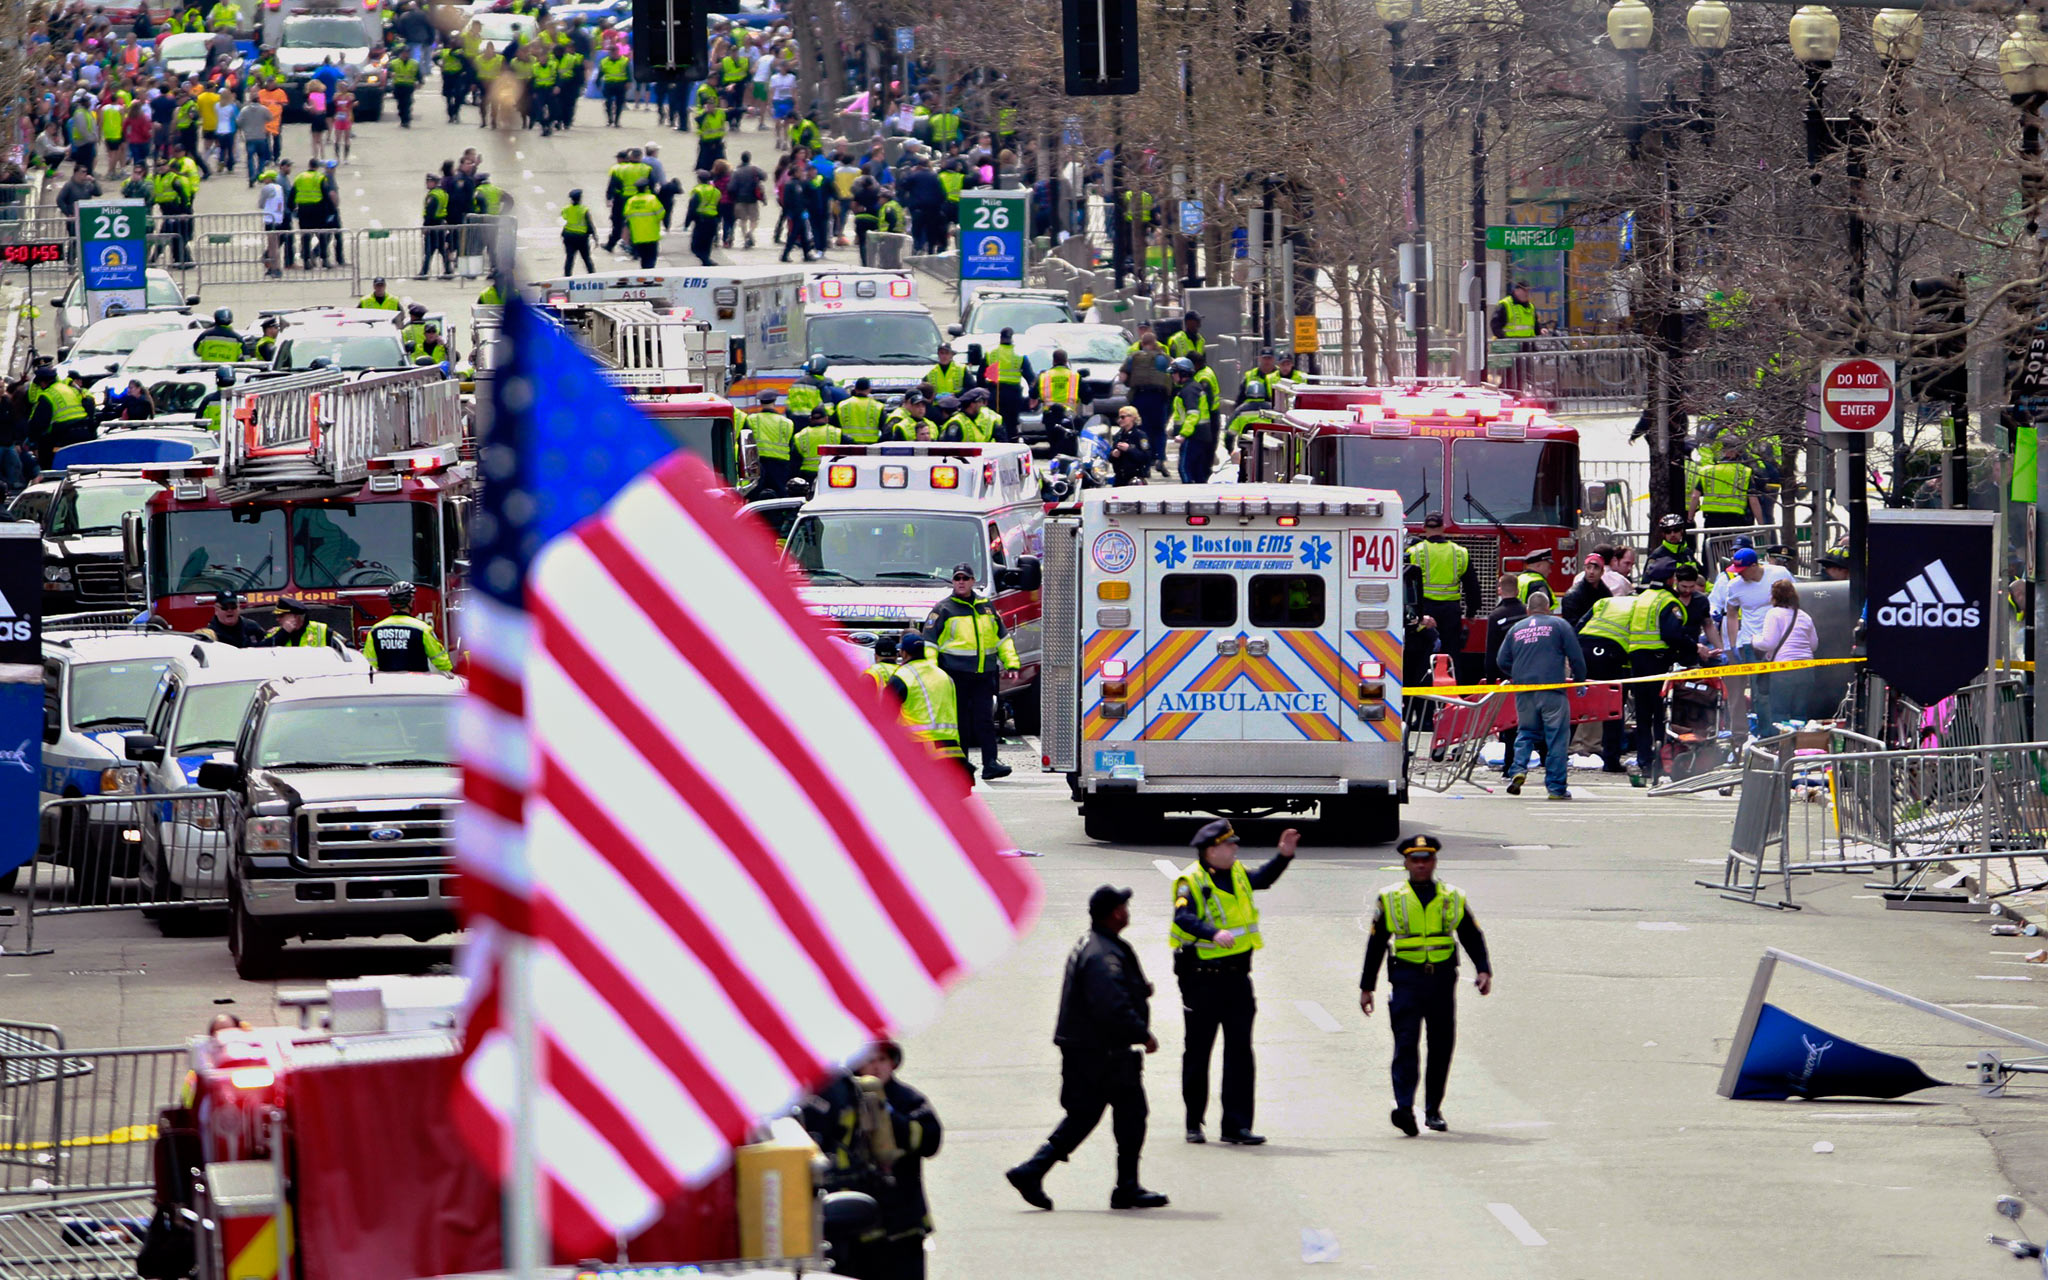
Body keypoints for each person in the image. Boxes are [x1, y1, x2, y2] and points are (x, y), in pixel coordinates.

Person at [1005, 885, 1168, 1213]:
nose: (1128, 910)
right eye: (1124, 905)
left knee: (1085, 1115)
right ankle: (1126, 1188)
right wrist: (1142, 1033)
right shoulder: (1102, 954)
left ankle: (1032, 1171)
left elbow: (1113, 991)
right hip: (1104, 1053)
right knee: (1131, 1115)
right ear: (1115, 913)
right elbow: (1110, 1004)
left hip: (1089, 1051)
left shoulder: (1096, 945)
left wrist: (1138, 990)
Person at [1170, 820, 1298, 1146]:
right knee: (1198, 1052)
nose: (1235, 848)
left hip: (1238, 978)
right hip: (1202, 980)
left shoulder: (1237, 872)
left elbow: (1262, 879)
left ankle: (1236, 1126)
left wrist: (1283, 856)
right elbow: (1183, 917)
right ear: (1212, 850)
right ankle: (1194, 1122)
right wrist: (1213, 933)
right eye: (1229, 845)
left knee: (1240, 1053)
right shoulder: (1191, 881)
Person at [1359, 834, 1493, 1136]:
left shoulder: (1452, 896)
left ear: (1434, 862)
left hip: (1442, 980)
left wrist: (1484, 969)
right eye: (1415, 860)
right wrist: (1367, 987)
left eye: (1427, 859)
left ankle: (1433, 1110)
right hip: (1406, 979)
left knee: (1441, 1044)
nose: (1421, 865)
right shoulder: (1390, 897)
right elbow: (1377, 942)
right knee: (1405, 1044)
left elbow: (1471, 934)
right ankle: (1405, 1108)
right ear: (1406, 863)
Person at [921, 563, 1019, 782]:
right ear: (953, 582)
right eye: (957, 578)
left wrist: (1011, 664)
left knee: (985, 720)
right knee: (961, 722)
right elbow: (930, 643)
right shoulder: (943, 609)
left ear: (973, 581)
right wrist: (932, 671)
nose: (961, 582)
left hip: (984, 674)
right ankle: (962, 765)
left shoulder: (986, 606)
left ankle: (990, 764)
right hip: (955, 675)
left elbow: (1002, 638)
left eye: (965, 578)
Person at [1498, 590, 1585, 800]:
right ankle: (1556, 789)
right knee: (1556, 739)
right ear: (1550, 609)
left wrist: (1518, 674)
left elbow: (1502, 660)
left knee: (1526, 732)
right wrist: (1580, 680)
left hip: (1524, 691)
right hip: (1552, 691)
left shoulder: (1516, 629)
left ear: (1528, 610)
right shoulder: (1560, 625)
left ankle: (1518, 770)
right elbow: (1576, 656)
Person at [1707, 546, 1794, 738]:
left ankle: (1783, 730)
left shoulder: (1778, 574)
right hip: (1751, 642)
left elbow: (1796, 600)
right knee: (1759, 692)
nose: (1740, 575)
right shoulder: (1735, 586)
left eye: (1743, 570)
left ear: (1755, 566)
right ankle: (1765, 734)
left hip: (1780, 641)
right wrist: (1733, 643)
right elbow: (1731, 615)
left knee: (1781, 687)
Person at [1624, 561, 1690, 782]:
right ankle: (1661, 762)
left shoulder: (1641, 598)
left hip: (1637, 661)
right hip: (1657, 662)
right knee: (1661, 715)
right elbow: (1672, 634)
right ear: (1671, 579)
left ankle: (1644, 761)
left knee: (1643, 715)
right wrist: (1693, 648)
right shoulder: (1667, 601)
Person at [884, 633, 970, 791]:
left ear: (904, 653)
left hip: (920, 748)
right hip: (950, 747)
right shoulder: (943, 675)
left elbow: (883, 713)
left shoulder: (903, 676)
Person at [1406, 513, 1479, 666]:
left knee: (1423, 653)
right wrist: (1471, 611)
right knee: (1452, 654)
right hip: (1451, 611)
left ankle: (1423, 687)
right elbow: (1471, 586)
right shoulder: (1460, 552)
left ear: (1424, 528)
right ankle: (1451, 687)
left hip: (1423, 610)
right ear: (1443, 527)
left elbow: (1406, 584)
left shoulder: (1414, 552)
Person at [1574, 590, 1633, 773]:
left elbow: (1580, 624)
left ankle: (1554, 755)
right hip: (1611, 653)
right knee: (1613, 708)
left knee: (1576, 704)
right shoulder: (1640, 607)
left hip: (1584, 647)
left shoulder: (1604, 601)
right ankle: (1611, 760)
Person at [1753, 577, 1818, 734]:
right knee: (1799, 713)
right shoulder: (1804, 616)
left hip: (1784, 668)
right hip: (1806, 669)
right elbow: (1814, 645)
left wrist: (1754, 639)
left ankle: (1781, 749)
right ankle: (1799, 747)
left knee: (1780, 713)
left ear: (1774, 597)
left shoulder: (1774, 614)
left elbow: (1768, 643)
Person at [362, 582, 453, 672]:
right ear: (410, 601)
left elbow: (369, 664)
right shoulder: (422, 629)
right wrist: (448, 670)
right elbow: (440, 659)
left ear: (390, 602)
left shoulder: (375, 630)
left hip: (388, 683)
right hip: (417, 683)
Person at [1690, 438, 1760, 529]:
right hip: (1735, 520)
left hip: (1712, 520)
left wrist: (1690, 518)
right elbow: (1753, 501)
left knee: (1712, 543)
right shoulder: (1745, 472)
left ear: (1723, 451)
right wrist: (1761, 524)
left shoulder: (1708, 471)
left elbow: (1695, 496)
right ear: (1737, 452)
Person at [1170, 356, 1216, 484]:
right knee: (1198, 471)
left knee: (1184, 469)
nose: (1172, 376)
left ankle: (1189, 497)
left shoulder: (1189, 390)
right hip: (1201, 436)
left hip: (1194, 436)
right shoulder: (1192, 388)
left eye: (1174, 372)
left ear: (1183, 373)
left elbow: (1193, 414)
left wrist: (1183, 434)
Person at [747, 390, 794, 496]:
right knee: (780, 495)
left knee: (755, 494)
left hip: (758, 463)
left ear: (760, 403)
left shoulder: (751, 419)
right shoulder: (787, 423)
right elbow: (791, 445)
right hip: (780, 464)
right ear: (775, 402)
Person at [1481, 573, 1525, 684]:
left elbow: (1491, 650)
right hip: (1526, 666)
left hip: (1505, 670)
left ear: (1499, 591)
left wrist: (1490, 681)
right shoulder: (1527, 612)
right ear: (1517, 591)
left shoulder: (1495, 616)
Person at [196, 590, 265, 647]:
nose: (229, 610)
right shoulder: (210, 635)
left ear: (239, 608)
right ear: (216, 610)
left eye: (233, 607)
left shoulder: (252, 627)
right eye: (224, 608)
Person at [1558, 552, 1609, 626]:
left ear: (1602, 572)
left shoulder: (1606, 593)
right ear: (1584, 569)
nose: (1591, 572)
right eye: (1588, 567)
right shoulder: (1573, 595)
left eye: (1596, 568)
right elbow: (1571, 626)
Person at [684, 168, 721, 266]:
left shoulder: (698, 191)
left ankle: (706, 260)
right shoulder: (716, 191)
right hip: (713, 220)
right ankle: (706, 261)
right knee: (707, 243)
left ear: (699, 179)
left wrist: (687, 223)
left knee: (695, 246)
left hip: (701, 221)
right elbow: (719, 206)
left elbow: (692, 208)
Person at [1108, 404, 1151, 485]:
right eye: (1119, 417)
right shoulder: (1118, 435)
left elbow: (1146, 457)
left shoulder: (1140, 435)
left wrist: (1130, 449)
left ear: (1132, 418)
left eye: (1123, 417)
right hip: (1120, 477)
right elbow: (1110, 457)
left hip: (1135, 477)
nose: (1120, 420)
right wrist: (1113, 454)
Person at [264, 597, 330, 647]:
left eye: (281, 616)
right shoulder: (274, 633)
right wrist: (283, 634)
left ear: (295, 617)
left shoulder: (323, 631)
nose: (277, 619)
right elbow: (260, 652)